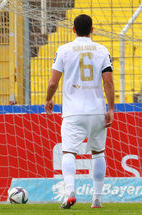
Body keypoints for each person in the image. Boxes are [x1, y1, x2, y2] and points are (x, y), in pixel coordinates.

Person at [45, 14, 114, 209]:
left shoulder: (64, 50)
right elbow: (108, 81)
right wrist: (111, 108)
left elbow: (53, 81)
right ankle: (97, 199)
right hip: (96, 111)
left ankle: (70, 192)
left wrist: (49, 99)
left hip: (73, 112)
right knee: (98, 153)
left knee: (68, 152)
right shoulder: (102, 50)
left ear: (73, 30)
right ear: (92, 30)